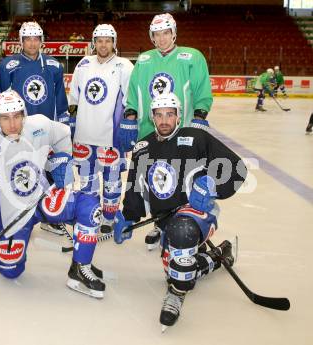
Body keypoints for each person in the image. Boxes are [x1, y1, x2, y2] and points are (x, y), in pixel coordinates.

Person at [113, 93, 247, 329]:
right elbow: (136, 189)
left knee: (181, 237)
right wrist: (128, 217)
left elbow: (237, 169)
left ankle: (175, 295)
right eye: (159, 115)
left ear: (178, 116)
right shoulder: (143, 147)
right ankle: (217, 257)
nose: (164, 120)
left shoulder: (196, 137)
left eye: (170, 114)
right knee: (177, 268)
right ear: (152, 117)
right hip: (166, 220)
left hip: (198, 214)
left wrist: (211, 186)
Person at [0, 90, 106, 298]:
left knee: (90, 207)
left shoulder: (38, 125)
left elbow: (62, 134)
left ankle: (79, 269)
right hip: (14, 214)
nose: (12, 124)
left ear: (24, 113)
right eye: (5, 118)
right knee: (11, 272)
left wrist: (62, 159)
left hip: (43, 197)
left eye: (17, 116)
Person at [122, 12, 213, 249]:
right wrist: (130, 116)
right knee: (155, 179)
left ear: (174, 33)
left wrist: (200, 116)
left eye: (166, 33)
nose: (161, 39)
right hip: (149, 132)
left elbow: (202, 89)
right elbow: (134, 92)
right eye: (156, 35)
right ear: (152, 37)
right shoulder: (143, 60)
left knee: (182, 178)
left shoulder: (191, 57)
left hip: (181, 132)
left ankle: (185, 221)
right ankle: (160, 224)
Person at [0, 21, 69, 236]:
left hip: (46, 130)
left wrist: (64, 122)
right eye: (28, 39)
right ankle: (18, 213)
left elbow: (60, 98)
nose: (32, 43)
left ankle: (49, 216)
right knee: (20, 172)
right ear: (21, 41)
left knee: (49, 172)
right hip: (17, 130)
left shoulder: (53, 66)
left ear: (41, 41)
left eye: (36, 39)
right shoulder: (8, 65)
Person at [67, 24, 133, 233]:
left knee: (112, 182)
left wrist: (129, 124)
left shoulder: (124, 66)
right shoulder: (84, 64)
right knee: (87, 181)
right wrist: (72, 121)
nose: (103, 45)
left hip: (111, 137)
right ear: (94, 42)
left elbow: (130, 101)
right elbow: (74, 98)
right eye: (99, 40)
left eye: (108, 40)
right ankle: (90, 214)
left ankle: (109, 217)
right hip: (84, 136)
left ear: (114, 42)